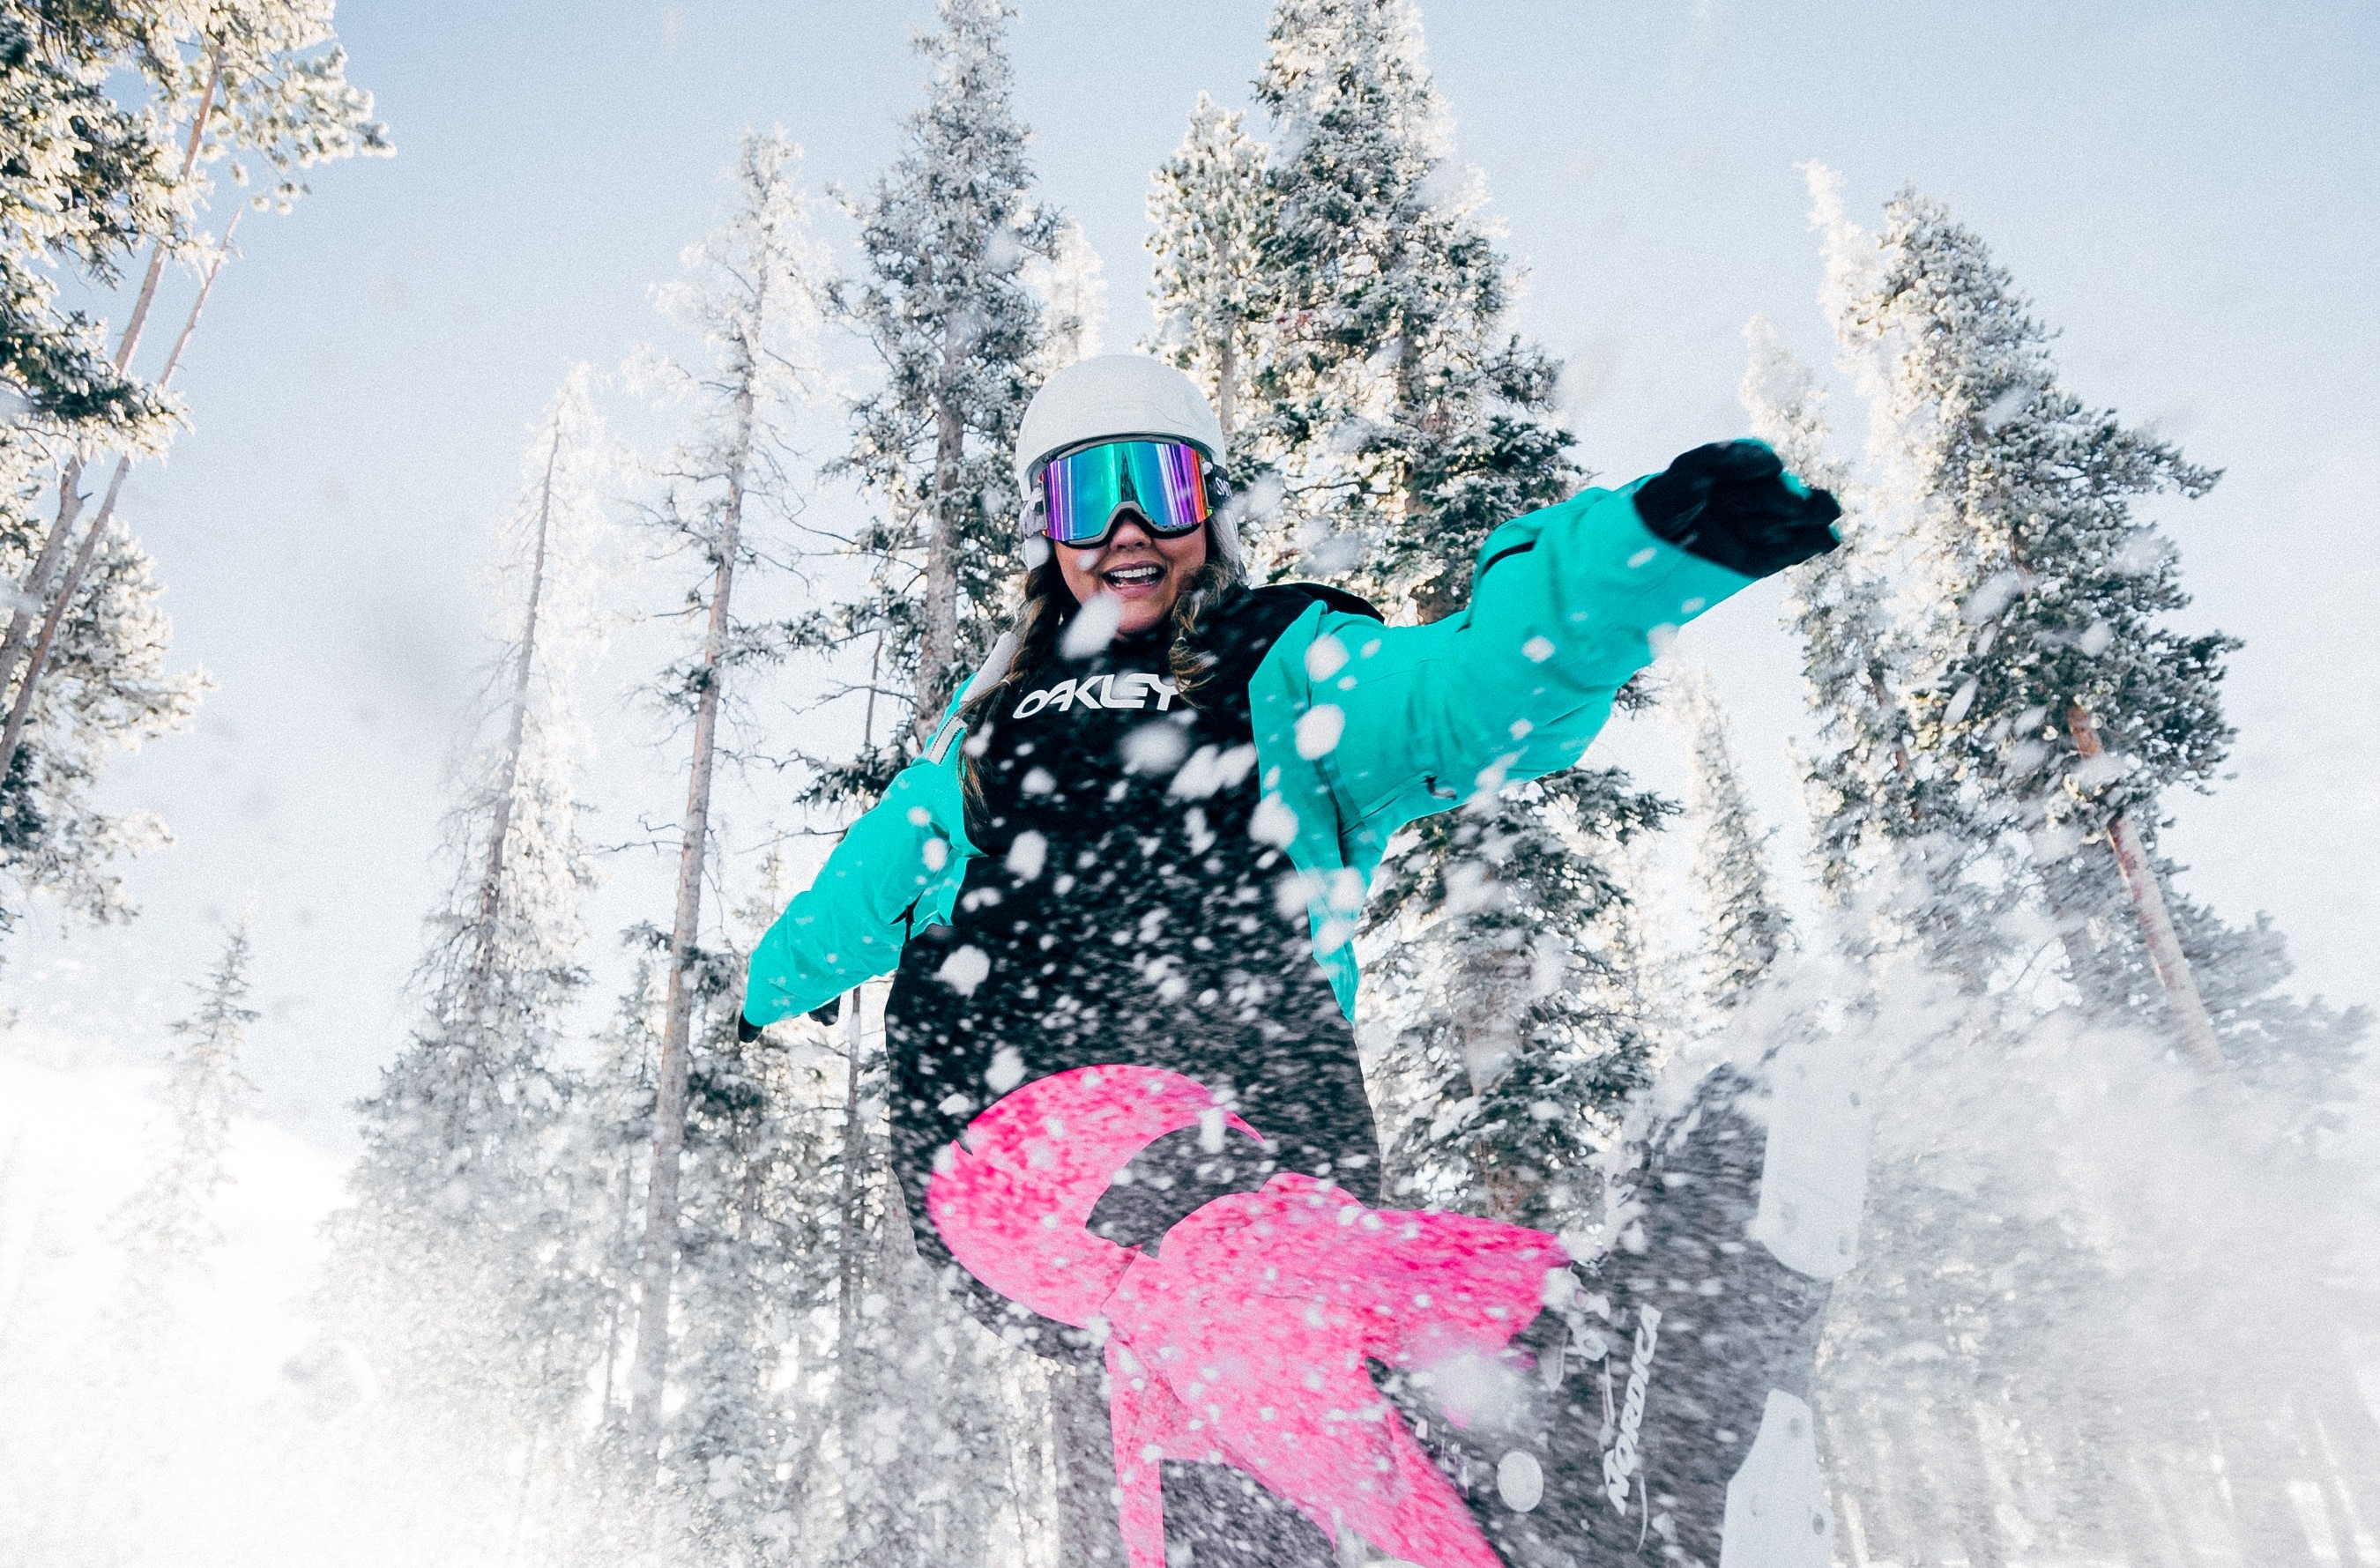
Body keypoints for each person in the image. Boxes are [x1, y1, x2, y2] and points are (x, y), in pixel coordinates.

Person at [740, 354, 1863, 1568]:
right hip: (1017, 1114)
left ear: (1209, 507)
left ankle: (1598, 1445)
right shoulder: (1000, 712)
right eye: (1086, 496)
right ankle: (1602, 1348)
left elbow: (1466, 694)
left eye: (1157, 486)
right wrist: (771, 985)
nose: (1126, 529)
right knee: (1219, 1257)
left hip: (1276, 1153)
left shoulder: (1280, 662)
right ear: (1042, 530)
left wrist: (1632, 560)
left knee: (1274, 1484)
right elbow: (877, 866)